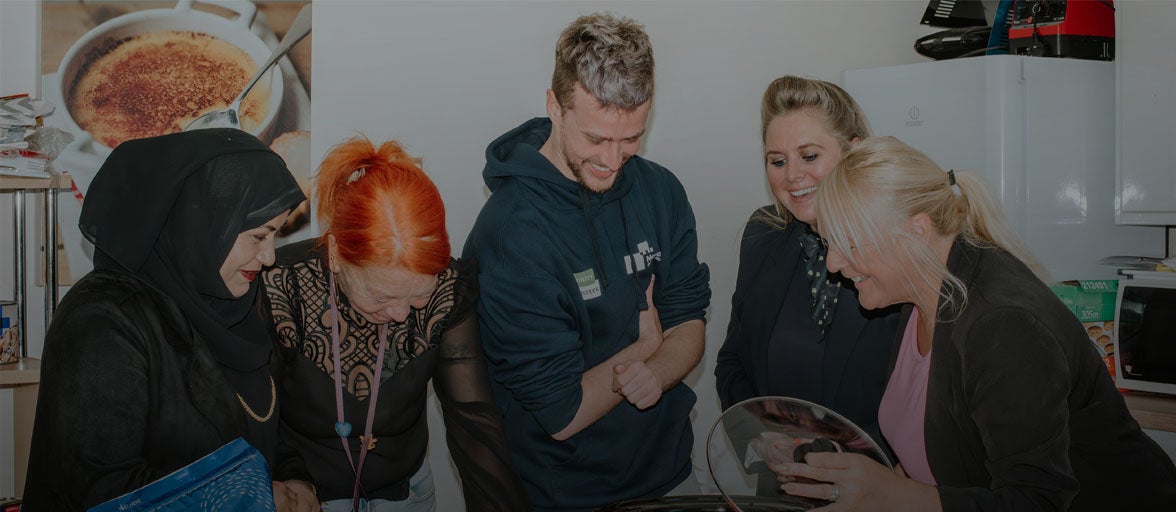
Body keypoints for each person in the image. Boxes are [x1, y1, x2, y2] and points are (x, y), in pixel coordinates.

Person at [773, 136, 1176, 511]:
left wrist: (894, 495)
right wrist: (865, 480)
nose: (833, 263)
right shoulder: (922, 290)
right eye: (830, 243)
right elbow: (951, 454)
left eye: (851, 243)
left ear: (916, 232)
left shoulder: (1004, 325)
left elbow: (1036, 501)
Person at [462, 12, 711, 512]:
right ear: (555, 106)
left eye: (631, 138)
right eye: (596, 139)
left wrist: (657, 371)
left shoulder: (662, 190)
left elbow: (689, 319)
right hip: (568, 490)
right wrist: (645, 344)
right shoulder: (512, 236)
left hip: (669, 470)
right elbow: (563, 412)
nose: (613, 160)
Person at [22, 128, 316, 511]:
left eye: (274, 236)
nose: (270, 258)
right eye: (259, 236)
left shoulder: (233, 301)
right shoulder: (102, 320)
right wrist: (254, 497)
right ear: (201, 225)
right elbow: (103, 489)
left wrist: (297, 478)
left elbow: (264, 417)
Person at [262, 135, 529, 512]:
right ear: (337, 255)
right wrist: (285, 479)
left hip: (408, 496)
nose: (402, 314)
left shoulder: (448, 288)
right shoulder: (280, 287)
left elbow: (475, 422)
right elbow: (252, 416)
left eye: (418, 296)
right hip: (309, 500)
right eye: (381, 297)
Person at [714, 76, 900, 493]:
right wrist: (761, 437)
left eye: (809, 155)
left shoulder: (899, 247)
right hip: (783, 490)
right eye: (777, 161)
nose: (793, 176)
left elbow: (927, 398)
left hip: (878, 492)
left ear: (853, 150)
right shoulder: (762, 235)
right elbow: (733, 363)